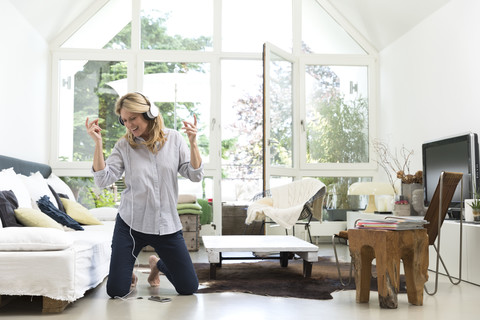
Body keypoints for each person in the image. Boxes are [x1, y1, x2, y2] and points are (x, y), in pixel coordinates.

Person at [85, 92, 203, 298]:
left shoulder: (174, 139)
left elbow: (194, 174)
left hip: (166, 224)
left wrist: (193, 143)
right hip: (131, 224)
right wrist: (98, 144)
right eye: (125, 120)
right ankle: (127, 272)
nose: (129, 125)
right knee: (116, 291)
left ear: (149, 113)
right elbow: (103, 179)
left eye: (133, 118)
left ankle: (157, 264)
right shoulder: (124, 145)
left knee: (188, 287)